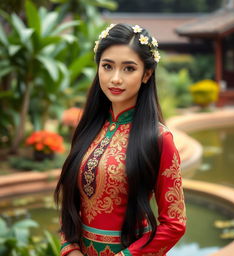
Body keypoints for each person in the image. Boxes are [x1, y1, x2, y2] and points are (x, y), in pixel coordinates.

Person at [55, 23, 186, 256]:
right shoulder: (87, 127)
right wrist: (70, 248)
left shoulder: (158, 139)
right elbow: (71, 203)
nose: (115, 79)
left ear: (146, 74)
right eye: (107, 66)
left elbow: (174, 224)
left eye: (128, 69)